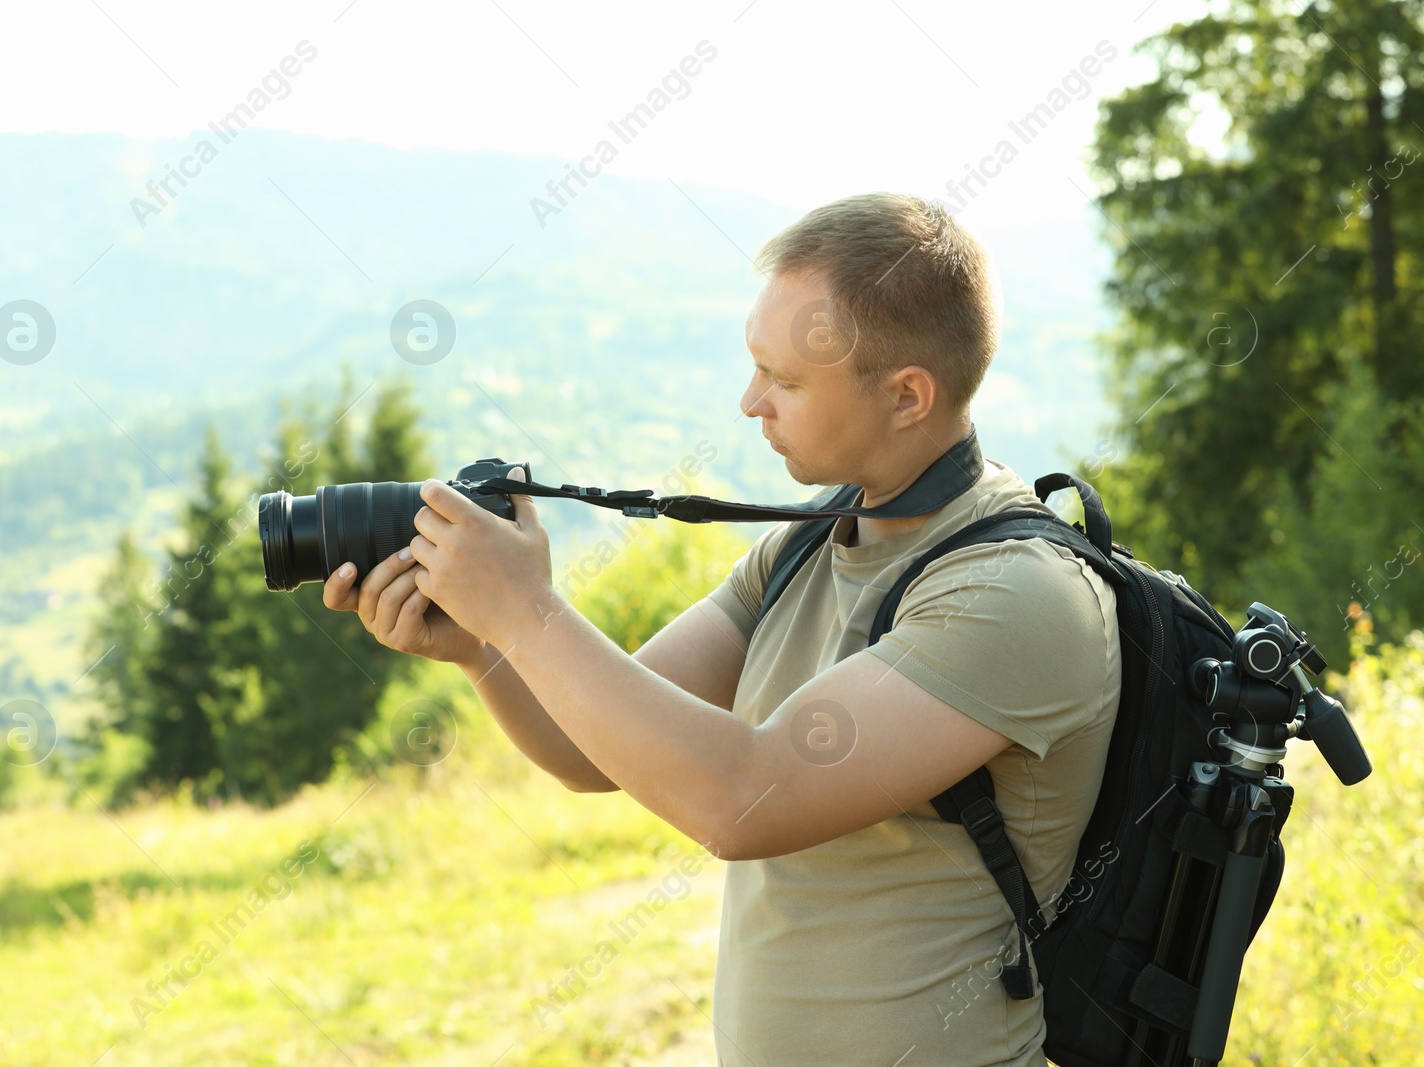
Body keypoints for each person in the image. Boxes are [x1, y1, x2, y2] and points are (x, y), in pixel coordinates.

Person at [321, 192, 1121, 1066]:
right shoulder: (806, 548)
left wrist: (525, 607)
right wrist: (484, 644)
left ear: (906, 396)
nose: (751, 402)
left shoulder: (1016, 592)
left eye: (784, 379)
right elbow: (593, 750)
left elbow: (744, 797)